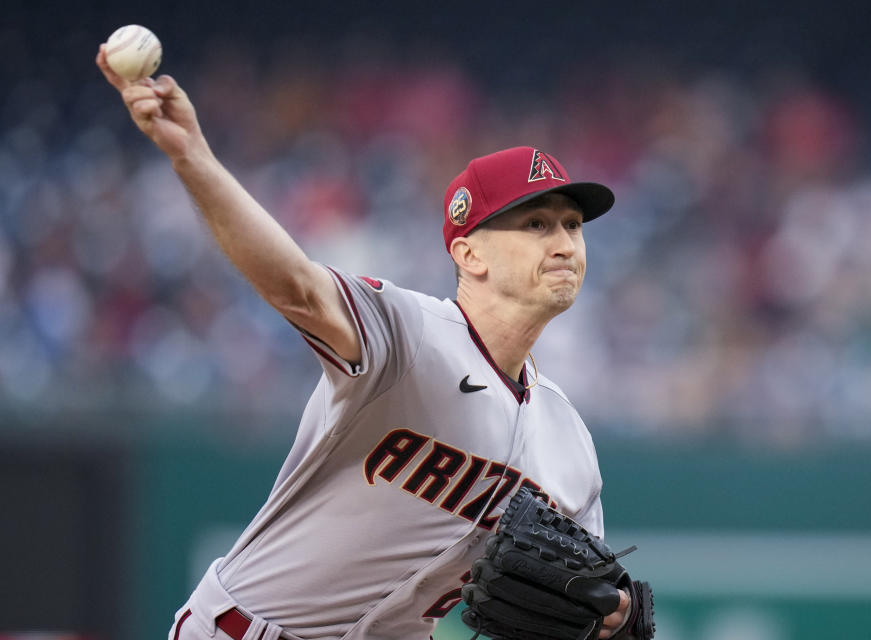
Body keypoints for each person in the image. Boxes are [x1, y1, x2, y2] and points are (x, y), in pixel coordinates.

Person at [97, 44, 640, 640]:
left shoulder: (570, 444)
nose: (564, 243)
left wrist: (611, 616)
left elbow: (588, 597)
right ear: (469, 253)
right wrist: (192, 157)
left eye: (571, 225)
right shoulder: (409, 334)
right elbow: (298, 287)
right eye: (536, 224)